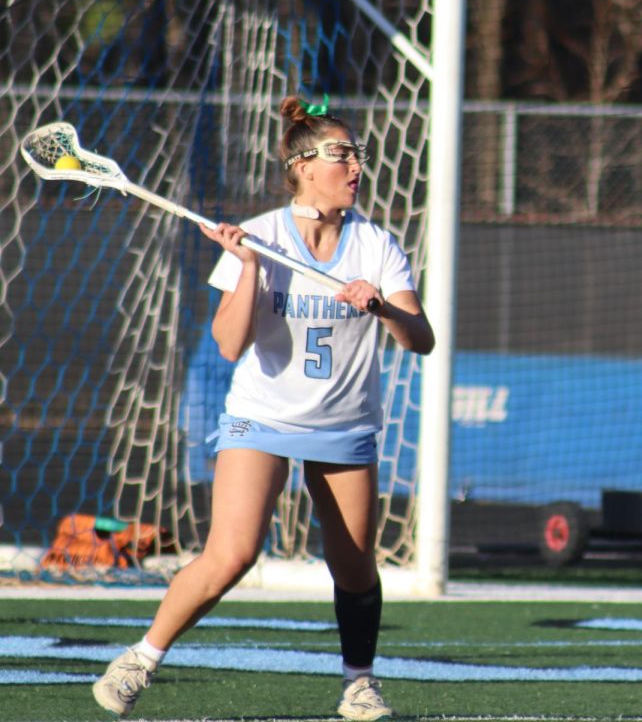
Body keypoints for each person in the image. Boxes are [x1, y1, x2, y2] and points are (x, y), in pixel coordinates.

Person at [92, 95, 435, 721]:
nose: (356, 165)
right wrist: (248, 265)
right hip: (263, 416)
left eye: (357, 154)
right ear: (302, 165)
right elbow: (228, 344)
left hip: (344, 423)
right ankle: (139, 659)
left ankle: (358, 684)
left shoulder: (376, 246)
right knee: (233, 553)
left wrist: (382, 307)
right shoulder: (264, 235)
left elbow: (423, 340)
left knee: (355, 567)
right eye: (341, 154)